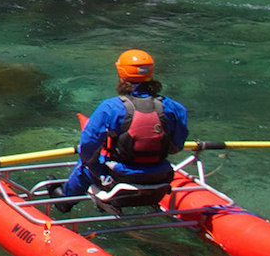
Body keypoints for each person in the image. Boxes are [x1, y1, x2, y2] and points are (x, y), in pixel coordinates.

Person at [50, 48, 189, 212]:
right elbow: (176, 146)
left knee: (86, 163)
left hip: (120, 178)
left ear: (121, 73)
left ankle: (65, 200)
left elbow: (88, 148)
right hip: (161, 175)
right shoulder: (174, 107)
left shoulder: (110, 107)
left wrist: (97, 164)